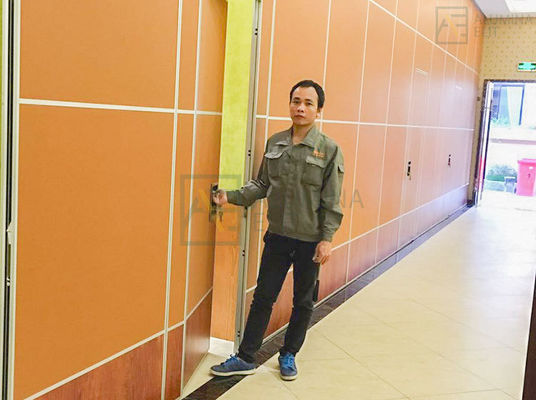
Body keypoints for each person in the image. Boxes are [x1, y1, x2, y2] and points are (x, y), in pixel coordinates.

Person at [210, 80, 344, 381]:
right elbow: (261, 185)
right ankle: (246, 357)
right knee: (263, 297)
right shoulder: (276, 143)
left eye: (308, 103)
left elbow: (331, 200)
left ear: (319, 110)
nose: (300, 108)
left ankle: (288, 354)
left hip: (310, 241)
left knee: (303, 302)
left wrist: (326, 239)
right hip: (278, 237)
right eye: (296, 101)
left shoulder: (329, 150)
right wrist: (230, 196)